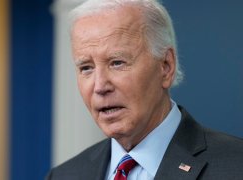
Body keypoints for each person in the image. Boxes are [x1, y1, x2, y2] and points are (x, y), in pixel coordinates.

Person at [46, 0, 243, 179]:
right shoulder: (63, 175)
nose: (99, 86)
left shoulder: (236, 166)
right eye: (86, 68)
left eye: (117, 63)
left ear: (166, 66)